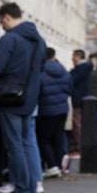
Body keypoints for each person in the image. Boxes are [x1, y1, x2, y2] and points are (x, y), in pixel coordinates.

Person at [0, 2, 47, 193]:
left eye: (1, 21)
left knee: (15, 145)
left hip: (9, 98)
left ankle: (22, 188)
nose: (1, 25)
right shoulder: (39, 41)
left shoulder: (9, 39)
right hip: (29, 99)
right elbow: (40, 67)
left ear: (7, 17)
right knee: (27, 143)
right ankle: (31, 186)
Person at [36, 47, 72, 178]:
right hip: (62, 108)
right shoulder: (63, 70)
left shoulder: (40, 70)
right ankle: (62, 164)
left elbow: (37, 90)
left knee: (43, 139)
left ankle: (52, 165)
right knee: (59, 137)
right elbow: (70, 88)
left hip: (47, 109)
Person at [69, 49, 93, 158]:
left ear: (78, 57)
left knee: (77, 124)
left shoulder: (81, 69)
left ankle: (79, 148)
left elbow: (72, 80)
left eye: (73, 56)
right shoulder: (84, 68)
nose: (72, 59)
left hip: (78, 99)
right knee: (80, 124)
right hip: (83, 99)